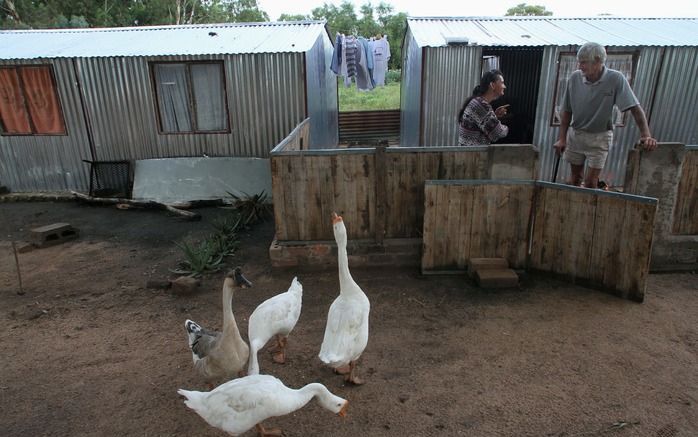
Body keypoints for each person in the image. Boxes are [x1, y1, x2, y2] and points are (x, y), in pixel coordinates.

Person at [553, 42, 657, 188]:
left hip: (600, 137)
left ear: (597, 62)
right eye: (579, 62)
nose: (580, 66)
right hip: (576, 134)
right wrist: (562, 138)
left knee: (590, 182)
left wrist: (646, 135)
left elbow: (635, 108)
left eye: (584, 63)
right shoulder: (575, 78)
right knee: (575, 179)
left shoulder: (615, 79)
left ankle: (589, 208)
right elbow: (567, 111)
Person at [457, 70, 509, 146]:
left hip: (469, 154)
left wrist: (495, 116)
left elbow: (482, 123)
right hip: (471, 156)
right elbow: (497, 133)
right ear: (492, 85)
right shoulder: (481, 105)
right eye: (502, 83)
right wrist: (508, 126)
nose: (504, 86)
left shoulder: (478, 102)